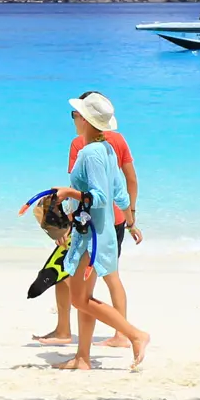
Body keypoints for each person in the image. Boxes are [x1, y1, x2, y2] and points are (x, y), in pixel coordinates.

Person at [37, 90, 140, 347]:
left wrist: (69, 193)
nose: (74, 119)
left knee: (80, 299)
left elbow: (100, 196)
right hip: (104, 231)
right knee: (90, 292)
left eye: (75, 114)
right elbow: (121, 192)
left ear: (84, 119)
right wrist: (130, 221)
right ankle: (83, 357)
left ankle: (135, 335)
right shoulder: (108, 149)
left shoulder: (88, 151)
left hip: (89, 234)